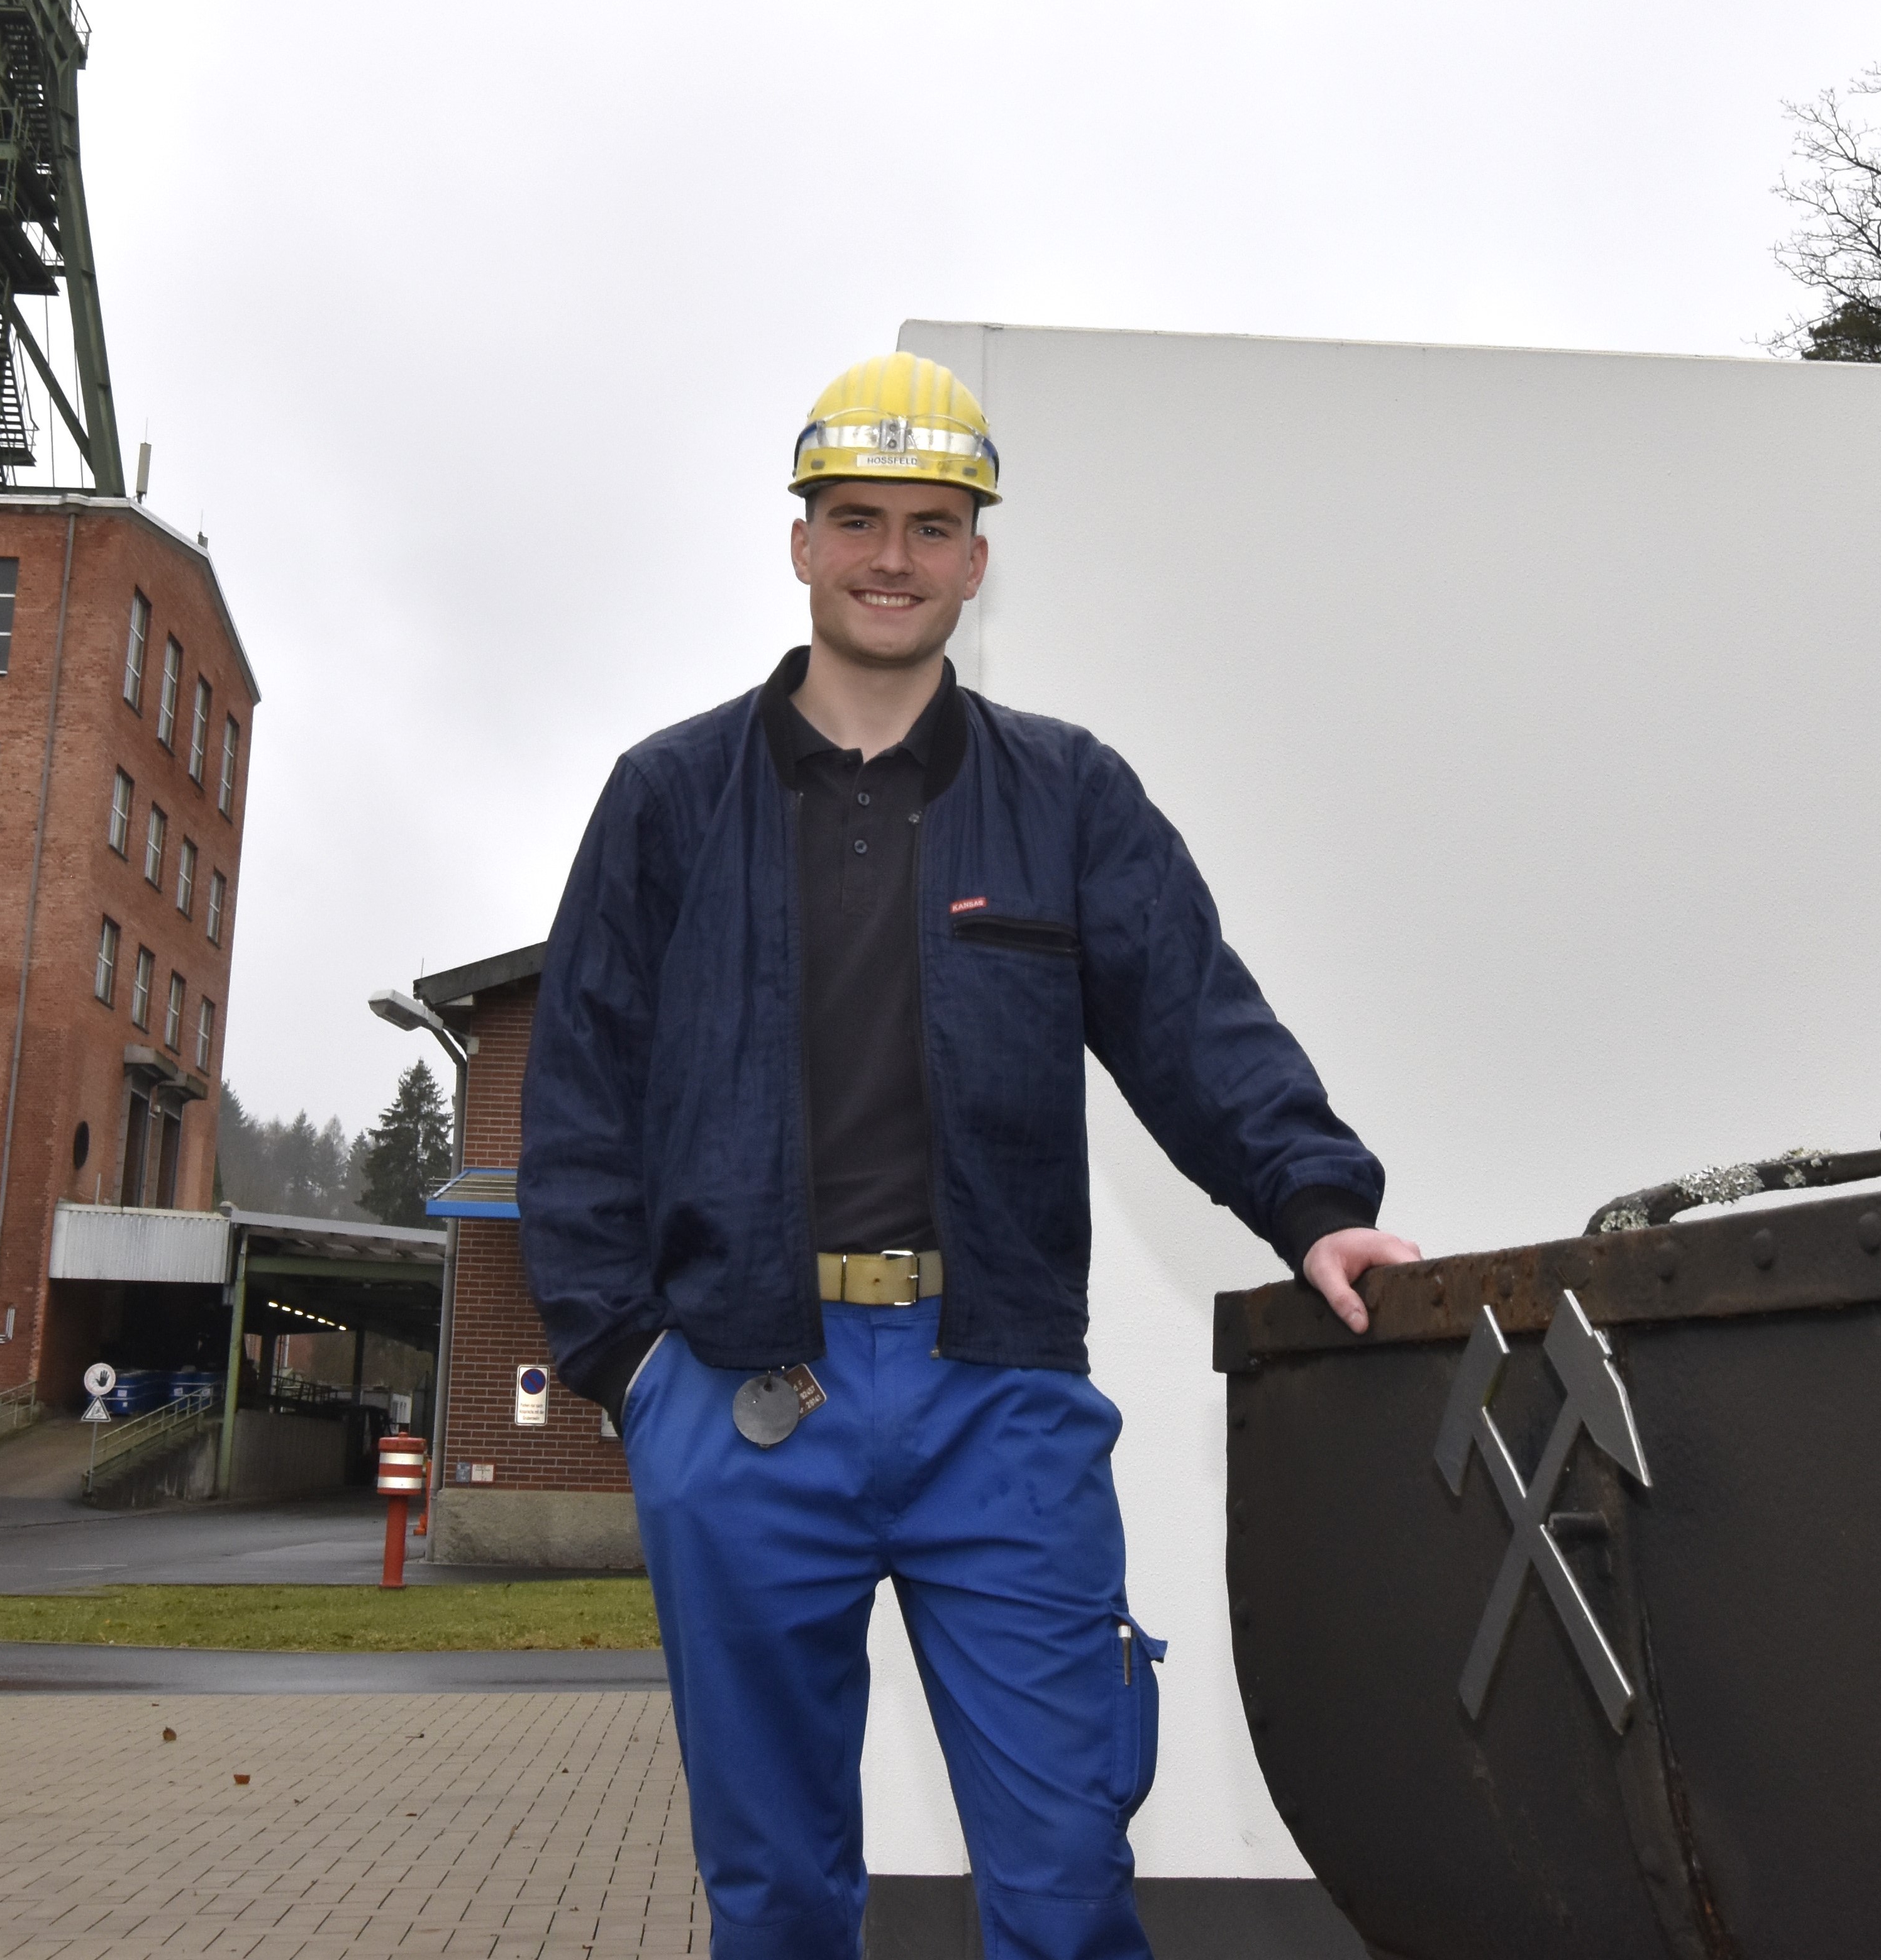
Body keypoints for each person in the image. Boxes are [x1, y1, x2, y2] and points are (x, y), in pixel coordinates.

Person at [522, 350, 1418, 1960]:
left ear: (977, 559)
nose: (892, 557)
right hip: (738, 1389)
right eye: (857, 520)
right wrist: (627, 1358)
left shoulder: (1068, 794)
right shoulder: (666, 799)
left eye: (932, 527)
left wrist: (1316, 1205)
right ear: (800, 541)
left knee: (1068, 1885)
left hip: (996, 1390)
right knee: (778, 1891)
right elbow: (582, 1091)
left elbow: (1198, 1024)